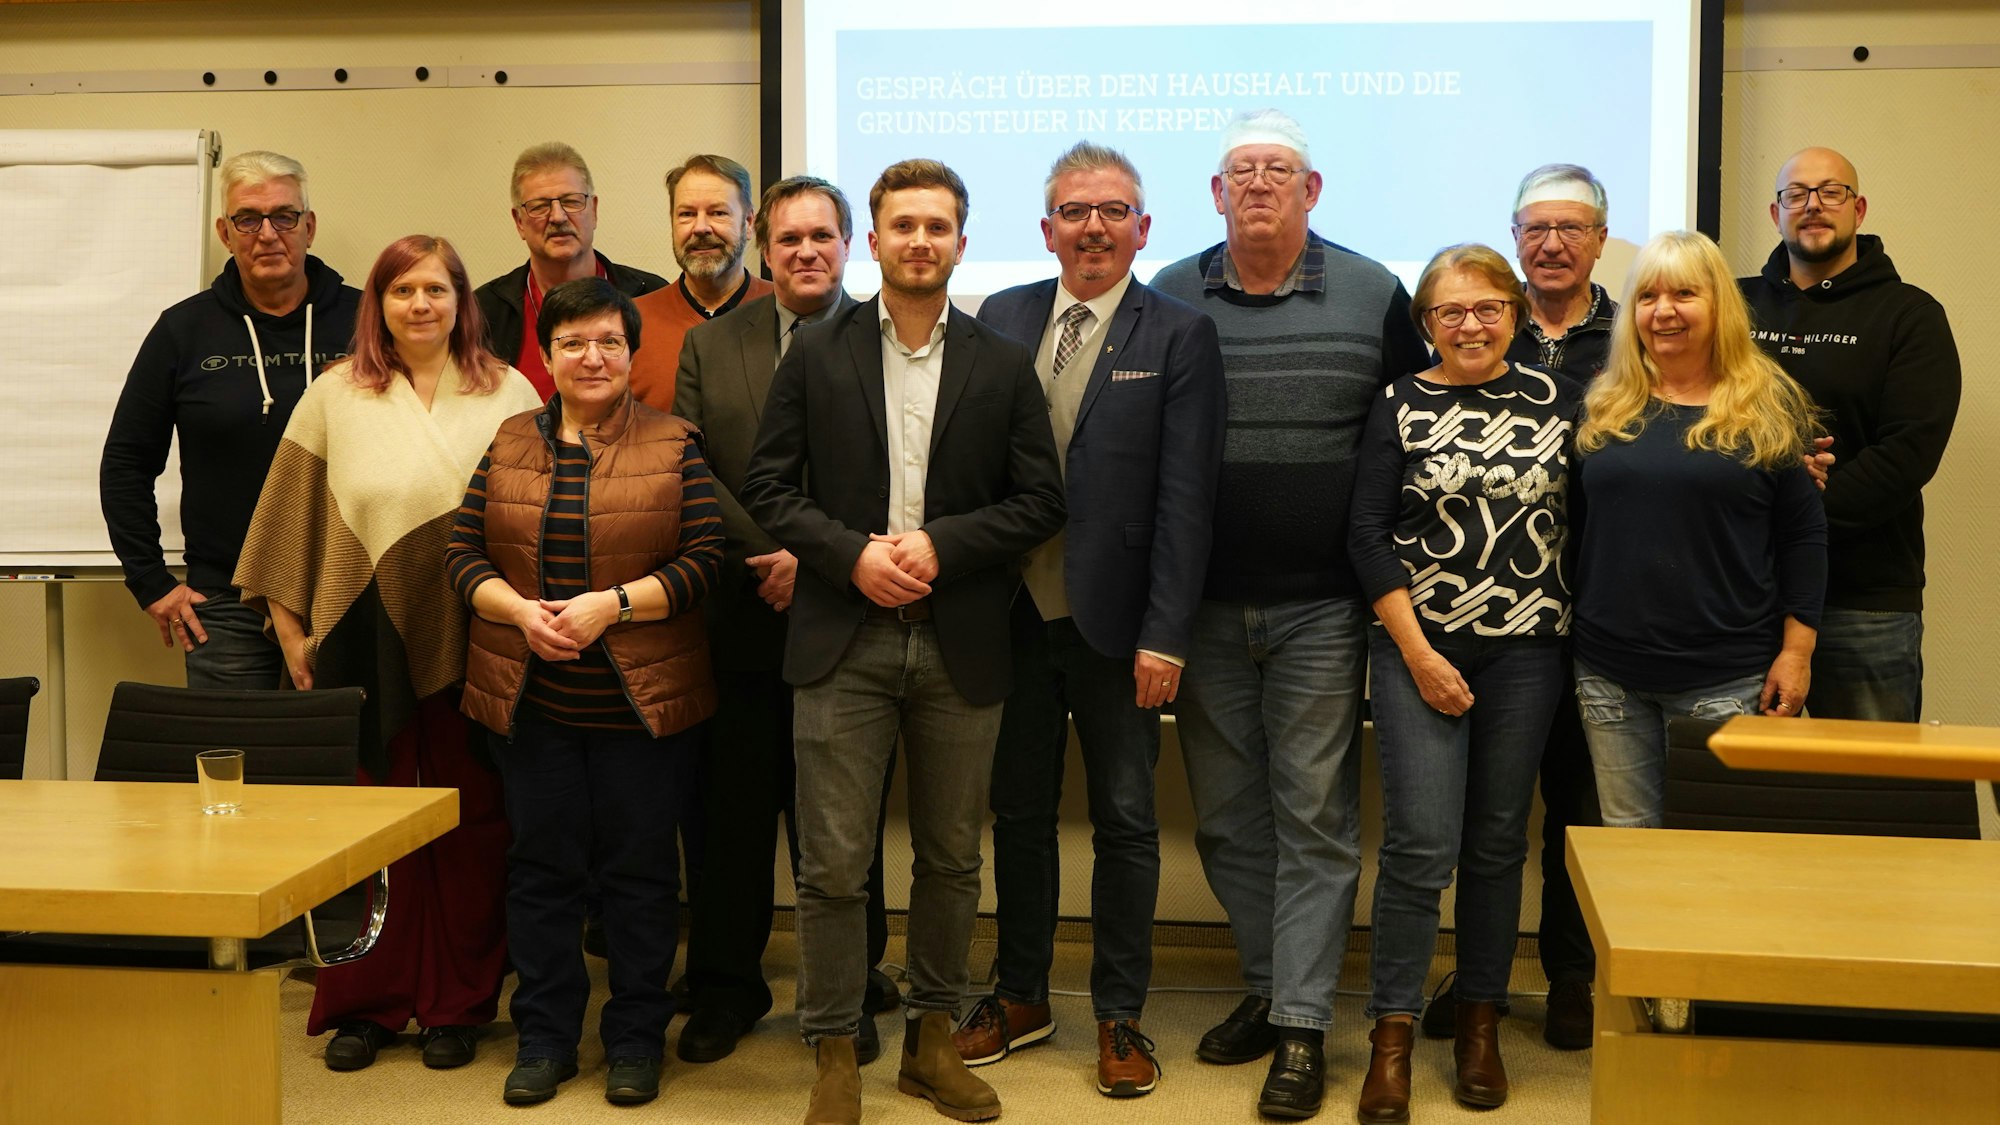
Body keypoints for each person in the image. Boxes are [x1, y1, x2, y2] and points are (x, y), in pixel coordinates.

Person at [741, 159, 1065, 1125]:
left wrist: (938, 545)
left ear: (961, 242)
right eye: (902, 225)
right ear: (872, 242)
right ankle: (834, 1054)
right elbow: (767, 488)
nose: (920, 240)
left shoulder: (1002, 361)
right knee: (834, 865)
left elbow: (1041, 498)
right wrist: (849, 556)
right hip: (844, 640)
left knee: (953, 859)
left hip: (960, 642)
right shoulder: (815, 353)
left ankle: (930, 1043)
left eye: (938, 225)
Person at [1149, 108, 1429, 1119]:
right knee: (1225, 821)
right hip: (1205, 606)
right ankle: (1270, 987)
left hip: (1322, 608)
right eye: (1240, 172)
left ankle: (1302, 1026)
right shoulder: (1170, 294)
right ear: (1216, 196)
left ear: (1311, 193)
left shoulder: (1371, 292)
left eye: (1278, 171)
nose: (1258, 184)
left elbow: (1415, 428)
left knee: (1311, 817)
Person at [232, 235, 541, 1071]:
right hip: (364, 638)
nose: (420, 304)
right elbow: (287, 517)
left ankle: (457, 1002)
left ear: (461, 299)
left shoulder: (507, 389)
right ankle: (368, 1000)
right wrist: (294, 631)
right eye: (402, 289)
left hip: (482, 634)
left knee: (472, 823)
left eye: (437, 288)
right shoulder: (337, 392)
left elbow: (532, 514)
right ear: (379, 301)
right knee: (371, 824)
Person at [954, 141, 1224, 1100]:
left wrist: (1168, 633)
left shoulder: (1180, 334)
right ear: (1047, 229)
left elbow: (1188, 501)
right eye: (1075, 210)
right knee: (1019, 814)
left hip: (1121, 629)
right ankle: (1021, 993)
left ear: (1144, 229)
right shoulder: (1002, 315)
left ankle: (1120, 1015)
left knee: (1126, 821)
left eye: (1114, 211)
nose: (1094, 226)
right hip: (1013, 616)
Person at [445, 277, 723, 1107]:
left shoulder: (677, 441)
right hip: (531, 701)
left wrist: (615, 605)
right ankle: (545, 1036)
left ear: (632, 355)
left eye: (608, 342)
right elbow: (462, 555)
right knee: (541, 873)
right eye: (573, 343)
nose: (591, 357)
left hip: (643, 704)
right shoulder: (507, 440)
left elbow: (707, 559)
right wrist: (519, 613)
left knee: (639, 878)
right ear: (548, 354)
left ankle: (636, 1038)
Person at [670, 175, 902, 1066]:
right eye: (788, 238)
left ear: (851, 246)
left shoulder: (892, 338)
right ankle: (727, 989)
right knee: (729, 818)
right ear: (763, 249)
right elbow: (691, 464)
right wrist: (770, 554)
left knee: (840, 827)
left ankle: (850, 993)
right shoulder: (710, 343)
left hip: (849, 617)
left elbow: (898, 468)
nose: (806, 251)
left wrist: (817, 559)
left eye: (823, 236)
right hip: (739, 615)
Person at [1347, 244, 1581, 1123]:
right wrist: (1417, 652)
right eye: (1450, 312)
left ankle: (1480, 1024)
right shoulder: (1399, 403)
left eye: (1487, 307)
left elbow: (1604, 514)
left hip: (1529, 653)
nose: (1470, 324)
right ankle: (1393, 1037)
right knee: (1417, 848)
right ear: (1426, 324)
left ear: (1516, 313)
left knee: (1493, 847)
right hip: (1417, 650)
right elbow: (1367, 534)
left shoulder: (1564, 402)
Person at [1423, 163, 1616, 1050]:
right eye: (1536, 228)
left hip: (1601, 610)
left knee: (1575, 800)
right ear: (1513, 239)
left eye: (1571, 228)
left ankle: (1571, 973)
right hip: (1491, 616)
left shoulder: (1630, 338)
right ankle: (1479, 977)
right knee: (1483, 813)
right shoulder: (1478, 325)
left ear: (1600, 241)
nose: (1552, 243)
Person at [1572, 230, 1827, 828]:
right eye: (1648, 296)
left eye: (1684, 294)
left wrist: (1798, 652)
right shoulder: (1605, 402)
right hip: (1610, 676)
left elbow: (1803, 537)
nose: (1664, 311)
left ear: (1719, 306)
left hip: (1726, 679)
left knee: (1716, 864)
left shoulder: (1768, 404)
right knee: (1630, 856)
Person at [101, 150, 360, 689]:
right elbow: (126, 462)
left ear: (309, 227)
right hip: (226, 603)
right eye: (248, 218)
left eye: (284, 216)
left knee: (336, 768)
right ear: (225, 231)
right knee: (235, 765)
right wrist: (151, 582)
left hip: (344, 591)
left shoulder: (368, 322)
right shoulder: (183, 331)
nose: (267, 233)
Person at [1740, 147, 1960, 723]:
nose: (1813, 206)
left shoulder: (1910, 315)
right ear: (1775, 212)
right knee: (1739, 799)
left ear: (1858, 209)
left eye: (1831, 192)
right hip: (1742, 593)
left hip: (1864, 602)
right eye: (1797, 194)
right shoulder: (1732, 307)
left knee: (1868, 796)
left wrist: (1794, 514)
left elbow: (1908, 454)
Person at [474, 142, 667, 400]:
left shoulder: (653, 296)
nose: (558, 216)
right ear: (519, 222)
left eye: (571, 201)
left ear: (594, 210)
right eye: (540, 206)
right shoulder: (483, 313)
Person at [630, 154, 774, 411]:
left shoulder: (785, 310)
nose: (700, 228)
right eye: (686, 214)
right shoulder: (629, 322)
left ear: (749, 223)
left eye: (718, 213)